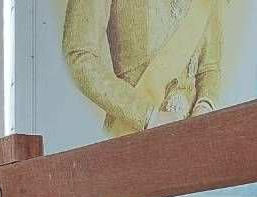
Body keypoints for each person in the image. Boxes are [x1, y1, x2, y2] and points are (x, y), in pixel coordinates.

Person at [62, 0, 224, 136]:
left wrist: (202, 110)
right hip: (131, 135)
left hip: (192, 140)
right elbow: (79, 56)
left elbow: (209, 67)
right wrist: (149, 117)